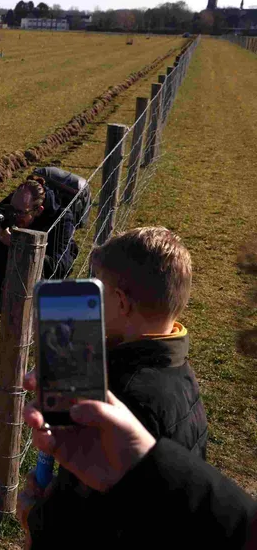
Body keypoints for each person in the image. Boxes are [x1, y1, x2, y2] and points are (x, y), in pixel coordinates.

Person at [18, 226, 208, 548]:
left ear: (121, 302)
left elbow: (91, 518)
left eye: (98, 291)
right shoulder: (177, 370)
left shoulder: (126, 398)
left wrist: (36, 519)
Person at [22, 376, 257, 549]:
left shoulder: (131, 392)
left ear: (124, 306)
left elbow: (85, 525)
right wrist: (146, 461)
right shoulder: (180, 374)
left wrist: (36, 520)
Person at [0, 175, 78, 297]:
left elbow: (60, 268)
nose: (15, 215)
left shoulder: (62, 218)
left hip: (47, 274)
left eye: (20, 213)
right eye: (12, 209)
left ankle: (34, 298)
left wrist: (17, 245)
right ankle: (4, 292)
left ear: (39, 210)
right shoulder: (17, 202)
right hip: (19, 269)